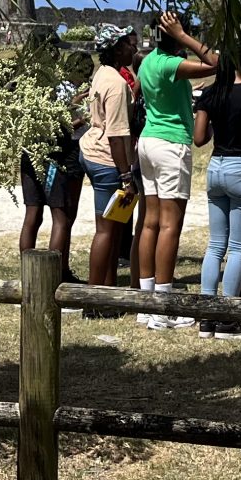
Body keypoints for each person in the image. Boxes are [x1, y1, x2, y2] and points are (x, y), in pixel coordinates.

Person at [134, 9, 218, 329]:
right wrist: (184, 36)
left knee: (150, 223)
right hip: (170, 145)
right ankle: (163, 306)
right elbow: (215, 63)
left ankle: (146, 302)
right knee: (171, 225)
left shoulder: (148, 61)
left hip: (149, 140)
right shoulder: (171, 64)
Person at [193, 43, 241, 337]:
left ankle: (206, 315)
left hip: (217, 165)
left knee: (215, 245)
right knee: (237, 246)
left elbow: (200, 138)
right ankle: (228, 316)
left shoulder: (211, 93)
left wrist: (215, 126)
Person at [80, 24, 139, 315]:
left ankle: (109, 290)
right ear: (116, 49)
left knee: (115, 227)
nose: (134, 48)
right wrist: (126, 176)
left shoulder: (102, 73)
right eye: (129, 44)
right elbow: (117, 134)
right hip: (108, 160)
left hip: (94, 151)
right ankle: (93, 301)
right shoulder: (116, 83)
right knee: (105, 230)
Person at [18, 53, 90, 280]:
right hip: (53, 156)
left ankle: (29, 275)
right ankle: (54, 277)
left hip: (30, 153)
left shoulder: (32, 84)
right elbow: (58, 126)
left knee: (33, 215)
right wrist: (83, 117)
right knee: (61, 217)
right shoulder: (61, 89)